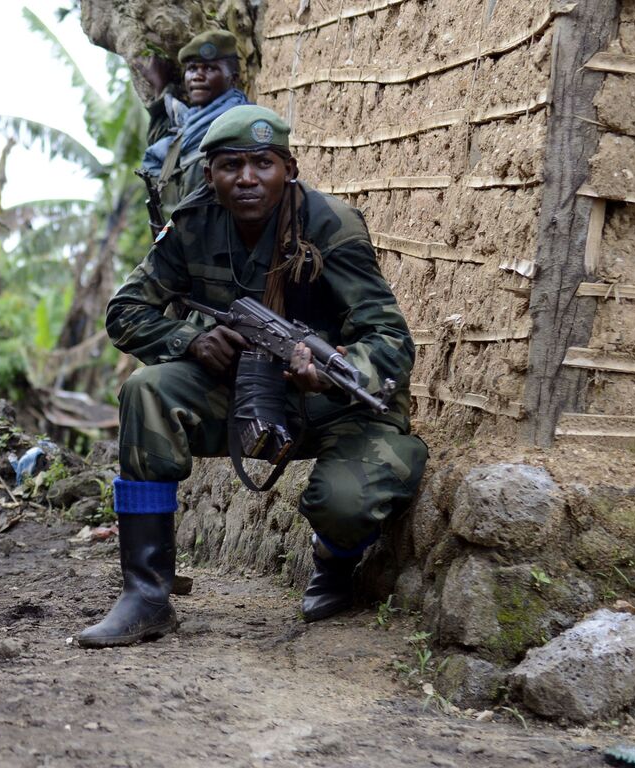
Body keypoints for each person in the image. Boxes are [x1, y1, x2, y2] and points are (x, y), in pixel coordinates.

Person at [80, 106, 428, 647]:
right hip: (241, 393)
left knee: (345, 502)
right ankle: (146, 596)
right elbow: (125, 312)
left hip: (338, 406)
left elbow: (391, 341)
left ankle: (334, 562)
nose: (246, 179)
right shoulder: (193, 224)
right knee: (146, 391)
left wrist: (333, 373)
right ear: (208, 174)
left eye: (262, 163)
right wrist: (191, 342)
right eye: (230, 166)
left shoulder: (331, 224)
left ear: (288, 167)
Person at [140, 29, 251, 219]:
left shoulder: (238, 127)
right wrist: (160, 88)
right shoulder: (190, 125)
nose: (197, 76)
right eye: (192, 69)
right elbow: (168, 146)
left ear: (232, 79)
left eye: (209, 68)